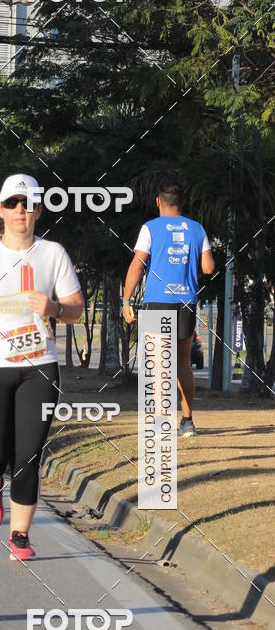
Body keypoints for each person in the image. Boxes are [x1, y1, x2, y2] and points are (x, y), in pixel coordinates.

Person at [0, 174, 84, 561]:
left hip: (38, 367)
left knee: (28, 455)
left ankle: (21, 535)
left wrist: (56, 308)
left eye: (28, 204)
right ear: (1, 210)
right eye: (13, 203)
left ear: (39, 210)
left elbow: (76, 307)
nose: (20, 211)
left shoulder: (53, 253)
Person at [122, 178, 215, 437]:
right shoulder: (197, 229)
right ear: (182, 203)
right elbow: (208, 268)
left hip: (158, 300)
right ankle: (187, 422)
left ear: (158, 202)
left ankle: (162, 422)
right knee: (182, 363)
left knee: (160, 365)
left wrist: (126, 300)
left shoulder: (150, 228)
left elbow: (137, 265)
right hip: (186, 301)